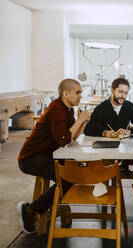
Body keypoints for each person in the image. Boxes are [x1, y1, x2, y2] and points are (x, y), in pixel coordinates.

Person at [17, 79, 91, 234]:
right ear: (65, 93)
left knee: (76, 171)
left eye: (81, 93)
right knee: (68, 178)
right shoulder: (56, 109)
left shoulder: (68, 108)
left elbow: (72, 137)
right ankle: (30, 210)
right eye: (77, 92)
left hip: (49, 154)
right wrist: (80, 120)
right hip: (31, 157)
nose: (80, 96)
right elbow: (64, 140)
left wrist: (82, 122)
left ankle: (54, 204)